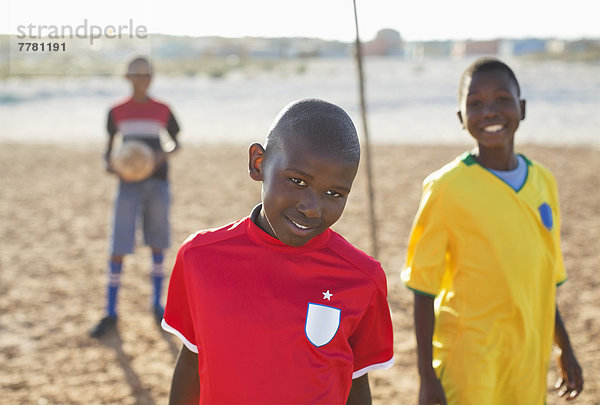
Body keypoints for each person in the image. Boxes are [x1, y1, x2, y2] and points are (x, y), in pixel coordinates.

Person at [161, 98, 394, 404]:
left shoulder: (362, 278)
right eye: (297, 181)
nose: (312, 208)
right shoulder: (198, 257)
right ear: (258, 162)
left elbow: (355, 382)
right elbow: (191, 361)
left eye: (333, 193)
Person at [402, 57, 584, 404]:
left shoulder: (544, 181)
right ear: (461, 118)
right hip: (469, 357)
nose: (490, 111)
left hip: (528, 356)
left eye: (502, 99)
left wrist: (566, 347)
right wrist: (427, 378)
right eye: (476, 103)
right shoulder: (446, 187)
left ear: (522, 108)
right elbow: (422, 289)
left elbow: (545, 280)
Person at [90, 56, 181, 338]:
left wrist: (158, 156)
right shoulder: (116, 111)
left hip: (158, 182)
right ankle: (111, 311)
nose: (141, 80)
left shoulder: (163, 109)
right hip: (127, 184)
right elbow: (109, 149)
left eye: (145, 75)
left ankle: (157, 305)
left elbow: (175, 142)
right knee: (119, 243)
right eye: (135, 75)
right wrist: (111, 164)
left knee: (157, 242)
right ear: (127, 78)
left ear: (151, 78)